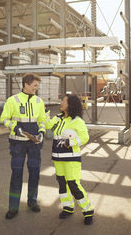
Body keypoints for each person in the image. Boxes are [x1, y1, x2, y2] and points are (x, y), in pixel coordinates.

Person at [0, 73, 46, 219]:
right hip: (17, 144)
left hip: (34, 144)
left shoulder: (39, 101)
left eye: (37, 86)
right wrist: (15, 128)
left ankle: (32, 202)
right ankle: (13, 207)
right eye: (35, 85)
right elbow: (4, 118)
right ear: (26, 84)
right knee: (16, 175)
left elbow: (42, 120)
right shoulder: (12, 100)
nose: (36, 88)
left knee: (34, 174)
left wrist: (41, 133)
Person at [46, 94, 94, 225]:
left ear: (70, 105)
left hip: (72, 159)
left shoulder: (77, 121)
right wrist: (44, 114)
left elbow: (85, 138)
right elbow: (47, 125)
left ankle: (88, 210)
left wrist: (70, 142)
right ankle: (68, 207)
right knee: (62, 183)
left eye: (64, 101)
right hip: (58, 158)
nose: (61, 103)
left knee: (73, 184)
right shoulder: (58, 118)